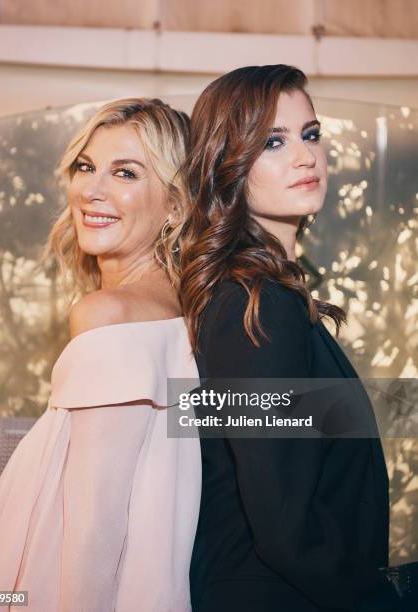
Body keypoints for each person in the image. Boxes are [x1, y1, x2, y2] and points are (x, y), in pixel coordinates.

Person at [0, 98, 201, 611]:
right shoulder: (187, 315)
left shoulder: (107, 313)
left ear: (177, 205)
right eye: (86, 167)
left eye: (126, 173)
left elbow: (94, 527)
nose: (91, 190)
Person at [179, 65, 407, 611]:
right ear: (226, 165)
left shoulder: (266, 296)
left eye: (310, 134)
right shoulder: (254, 305)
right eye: (272, 143)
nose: (305, 157)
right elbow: (285, 524)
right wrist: (382, 601)